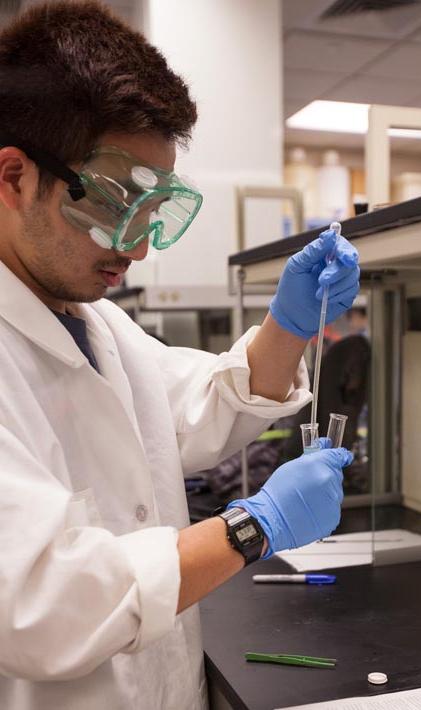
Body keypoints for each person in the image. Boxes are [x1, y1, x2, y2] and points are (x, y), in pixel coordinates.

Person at [0, 3, 360, 710]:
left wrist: (290, 324)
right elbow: (41, 604)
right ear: (14, 178)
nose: (136, 248)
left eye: (152, 208)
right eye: (111, 205)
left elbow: (199, 404)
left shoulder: (96, 324)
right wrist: (253, 527)